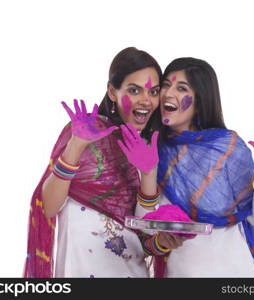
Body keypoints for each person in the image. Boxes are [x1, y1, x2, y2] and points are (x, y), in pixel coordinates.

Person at [118, 57, 254, 277]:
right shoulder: (153, 149)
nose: (168, 94)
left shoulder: (227, 148)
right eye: (166, 86)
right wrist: (148, 173)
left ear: (200, 100)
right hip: (183, 272)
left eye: (181, 88)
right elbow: (144, 226)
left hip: (235, 271)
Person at [23, 47, 162, 278]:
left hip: (130, 272)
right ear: (111, 91)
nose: (146, 101)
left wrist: (148, 174)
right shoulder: (85, 133)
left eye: (154, 91)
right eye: (134, 90)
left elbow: (143, 234)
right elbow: (48, 207)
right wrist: (76, 146)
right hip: (82, 269)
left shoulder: (148, 147)